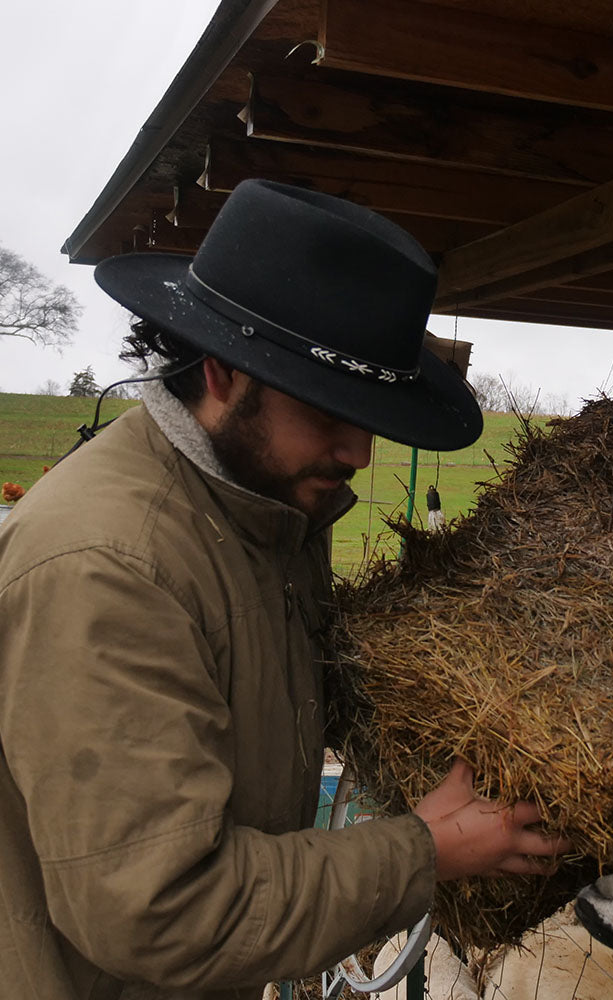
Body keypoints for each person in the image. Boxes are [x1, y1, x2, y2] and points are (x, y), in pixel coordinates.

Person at [0, 180, 569, 1000]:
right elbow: (163, 911)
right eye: (331, 409)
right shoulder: (108, 566)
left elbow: (285, 689)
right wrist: (426, 851)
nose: (360, 452)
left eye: (370, 414)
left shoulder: (262, 507)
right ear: (225, 371)